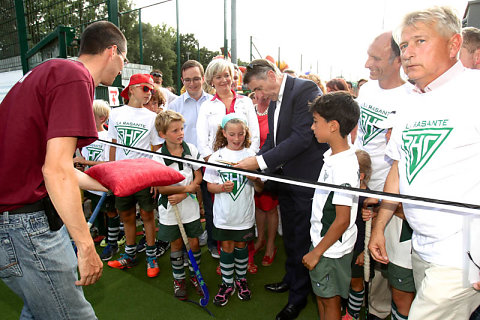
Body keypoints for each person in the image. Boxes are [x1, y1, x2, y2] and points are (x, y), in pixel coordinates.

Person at [0, 21, 126, 319]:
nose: (123, 66)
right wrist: (85, 245)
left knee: (38, 311)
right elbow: (55, 171)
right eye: (124, 57)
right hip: (26, 224)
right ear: (112, 51)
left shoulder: (51, 70)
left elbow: (58, 166)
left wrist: (111, 183)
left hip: (15, 222)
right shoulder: (75, 77)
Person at [369, 6, 480, 320]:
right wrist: (380, 226)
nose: (408, 53)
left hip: (464, 255)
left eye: (420, 42)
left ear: (453, 44)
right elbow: (399, 168)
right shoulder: (409, 101)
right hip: (421, 246)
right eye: (404, 45)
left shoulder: (476, 90)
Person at [236, 59, 328, 320]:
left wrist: (259, 162)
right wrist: (256, 162)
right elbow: (273, 139)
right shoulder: (275, 97)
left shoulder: (306, 90)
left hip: (304, 180)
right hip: (285, 179)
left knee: (301, 237)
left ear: (271, 75)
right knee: (290, 236)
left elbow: (301, 137)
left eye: (259, 88)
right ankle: (292, 278)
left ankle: (298, 298)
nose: (259, 95)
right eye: (255, 91)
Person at [355, 31, 415, 320]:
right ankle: (359, 305)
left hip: (387, 198)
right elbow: (358, 135)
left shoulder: (411, 97)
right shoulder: (366, 90)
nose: (368, 63)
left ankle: (378, 312)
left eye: (376, 58)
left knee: (383, 262)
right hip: (358, 187)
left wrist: (382, 198)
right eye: (368, 54)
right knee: (358, 257)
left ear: (397, 60)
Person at [302, 91, 360, 320]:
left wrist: (317, 252)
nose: (312, 128)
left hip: (330, 249)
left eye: (316, 122)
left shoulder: (343, 165)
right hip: (324, 243)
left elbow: (343, 219)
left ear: (333, 126)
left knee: (330, 300)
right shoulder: (332, 156)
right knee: (323, 297)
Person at [107, 73, 163, 278]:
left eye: (152, 90)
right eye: (145, 88)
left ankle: (151, 255)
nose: (150, 93)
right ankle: (129, 255)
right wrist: (110, 173)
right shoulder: (116, 114)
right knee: (127, 216)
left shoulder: (152, 117)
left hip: (143, 175)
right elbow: (111, 145)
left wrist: (155, 177)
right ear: (131, 89)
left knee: (148, 215)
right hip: (121, 175)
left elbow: (157, 149)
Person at [204, 114, 257, 307]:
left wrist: (254, 178)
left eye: (241, 134)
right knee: (226, 248)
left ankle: (240, 280)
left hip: (244, 214)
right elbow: (209, 185)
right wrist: (220, 188)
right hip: (224, 215)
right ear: (224, 133)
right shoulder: (217, 156)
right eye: (232, 134)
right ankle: (227, 283)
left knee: (241, 247)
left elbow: (260, 186)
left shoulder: (251, 155)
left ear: (246, 133)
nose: (236, 138)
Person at [151, 110, 204, 300]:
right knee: (176, 243)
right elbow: (160, 188)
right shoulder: (157, 157)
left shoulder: (191, 149)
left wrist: (186, 191)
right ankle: (179, 279)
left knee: (194, 241)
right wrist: (185, 190)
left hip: (189, 206)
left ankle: (195, 274)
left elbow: (198, 175)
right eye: (174, 130)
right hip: (169, 208)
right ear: (163, 134)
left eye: (181, 129)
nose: (180, 133)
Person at [169, 60, 216, 256]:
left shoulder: (214, 102)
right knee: (188, 203)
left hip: (210, 162)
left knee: (212, 204)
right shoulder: (175, 105)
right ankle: (190, 240)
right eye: (187, 80)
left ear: (203, 78)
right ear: (182, 80)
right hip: (186, 166)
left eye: (196, 78)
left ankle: (213, 242)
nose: (192, 83)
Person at [73, 100, 120, 261]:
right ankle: (105, 235)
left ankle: (113, 242)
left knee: (111, 211)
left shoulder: (107, 137)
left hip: (103, 184)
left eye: (89, 116)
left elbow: (109, 163)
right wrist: (80, 165)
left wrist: (85, 163)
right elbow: (84, 159)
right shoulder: (85, 138)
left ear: (102, 118)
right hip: (89, 184)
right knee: (97, 211)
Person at [197, 58, 260, 161]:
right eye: (218, 77)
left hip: (245, 163)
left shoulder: (246, 102)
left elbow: (254, 135)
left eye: (227, 75)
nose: (224, 80)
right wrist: (214, 163)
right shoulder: (206, 106)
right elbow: (202, 141)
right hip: (215, 165)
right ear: (211, 81)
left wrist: (248, 159)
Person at [342, 149, 376, 320]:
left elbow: (373, 229)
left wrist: (365, 252)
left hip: (359, 248)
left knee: (356, 282)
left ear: (361, 175)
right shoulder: (345, 192)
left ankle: (353, 314)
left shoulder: (369, 199)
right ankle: (347, 307)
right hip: (345, 245)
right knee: (346, 280)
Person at [248, 91, 279, 267]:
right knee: (258, 206)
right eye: (259, 90)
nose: (263, 95)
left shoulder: (275, 112)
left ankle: (270, 245)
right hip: (252, 164)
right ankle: (260, 240)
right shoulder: (249, 111)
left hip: (270, 165)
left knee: (270, 207)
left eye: (266, 91)